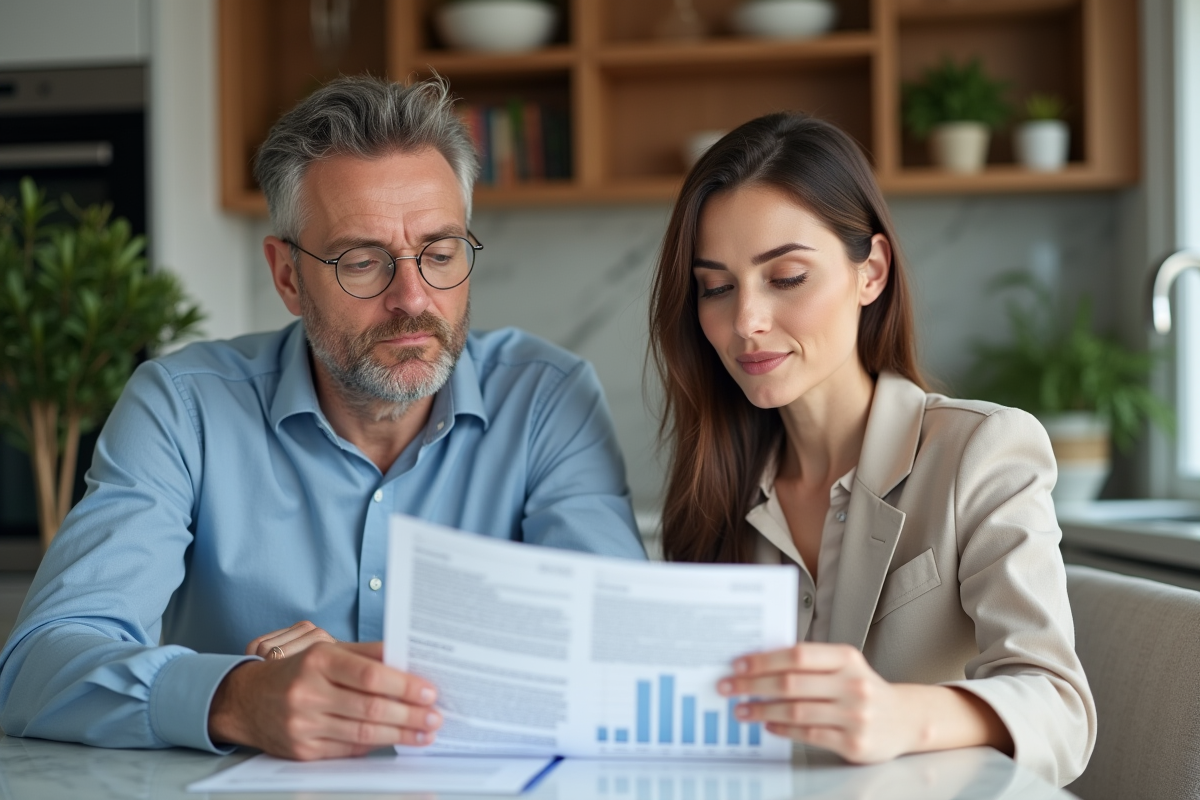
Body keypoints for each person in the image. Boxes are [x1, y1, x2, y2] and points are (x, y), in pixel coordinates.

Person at [0, 76, 645, 760]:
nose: (411, 297)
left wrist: (379, 666)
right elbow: (37, 666)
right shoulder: (182, 407)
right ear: (287, 278)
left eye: (440, 252)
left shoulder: (548, 399)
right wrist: (238, 698)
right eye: (362, 261)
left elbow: (622, 652)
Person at [647, 112, 1095, 787]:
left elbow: (1061, 711)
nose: (746, 322)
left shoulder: (981, 451)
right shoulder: (716, 488)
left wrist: (900, 715)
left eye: (787, 276)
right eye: (716, 287)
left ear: (871, 272)